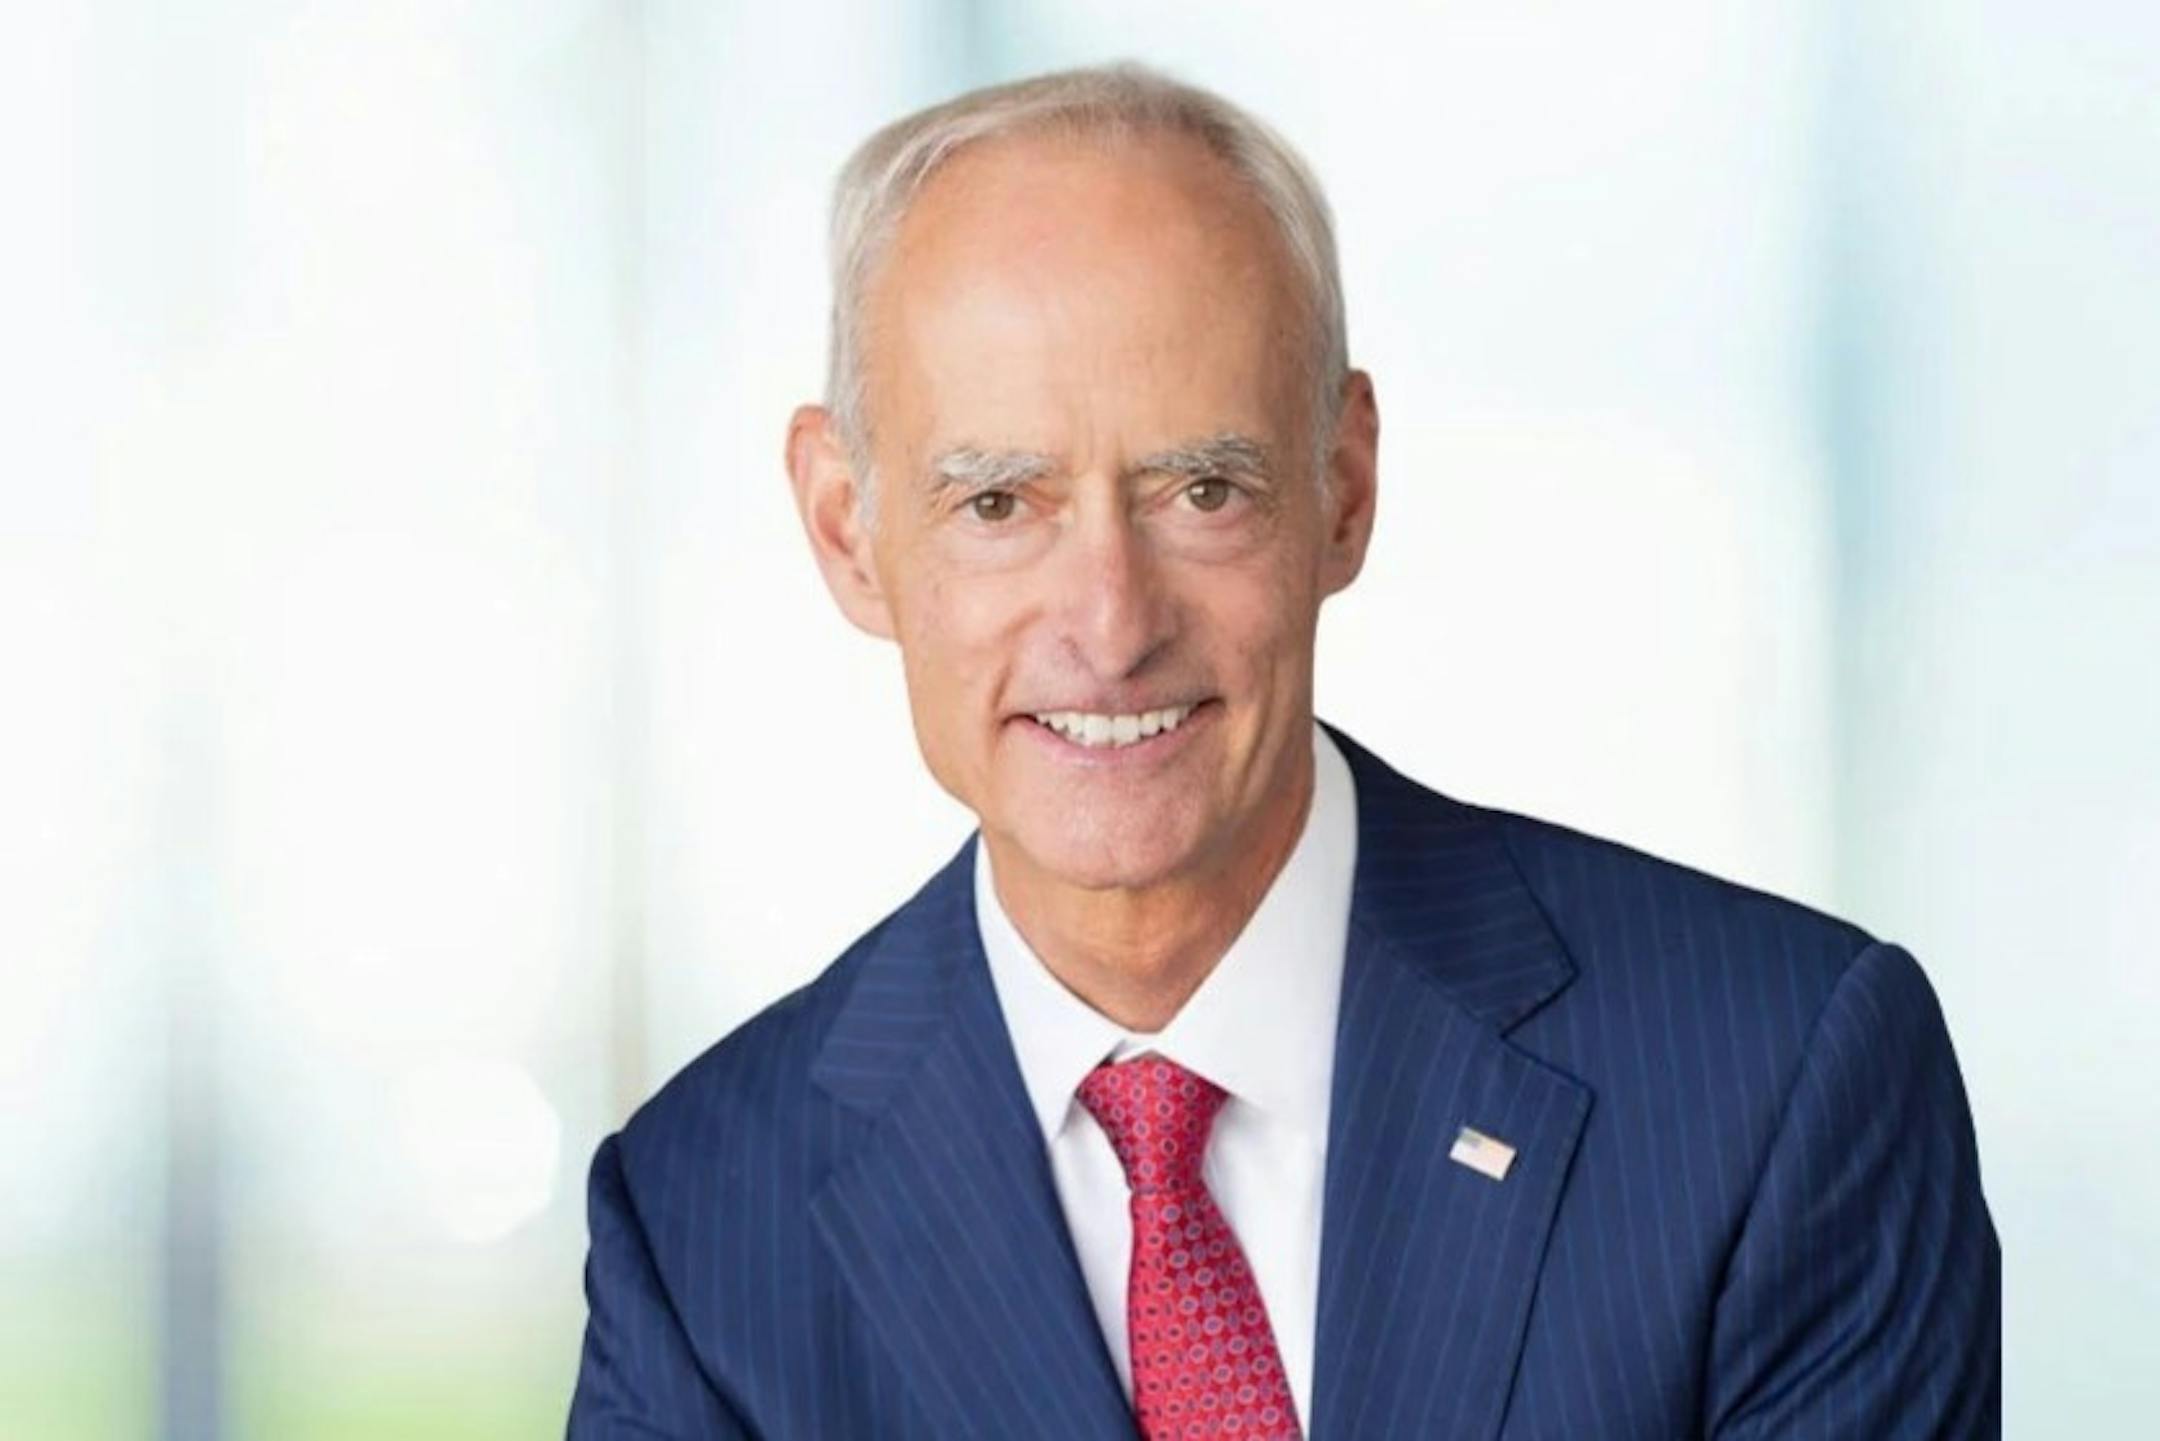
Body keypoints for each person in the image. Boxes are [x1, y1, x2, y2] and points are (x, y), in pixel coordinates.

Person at [567, 63, 2000, 1440]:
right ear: (846, 529)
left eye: (1202, 489)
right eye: (999, 503)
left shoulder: (1772, 1085)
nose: (1111, 625)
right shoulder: (702, 1224)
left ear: (1344, 488)